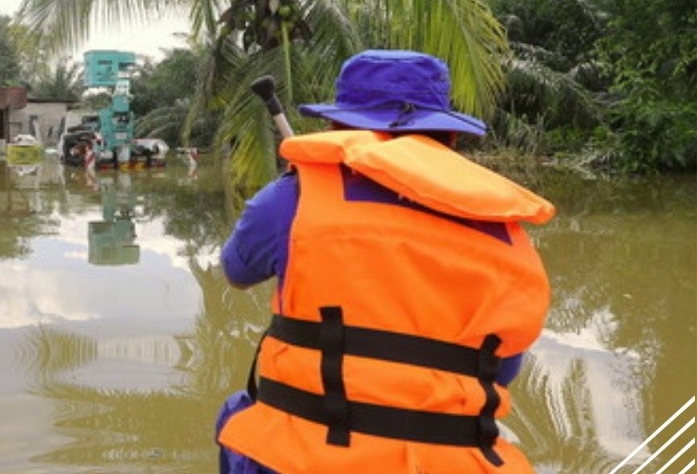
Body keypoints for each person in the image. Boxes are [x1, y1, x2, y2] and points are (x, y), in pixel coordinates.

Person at [215, 49, 555, 474]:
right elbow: (501, 371)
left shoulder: (294, 197)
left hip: (311, 456)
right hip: (455, 463)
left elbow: (236, 270)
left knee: (238, 414)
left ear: (339, 126)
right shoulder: (508, 234)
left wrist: (295, 193)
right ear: (447, 136)